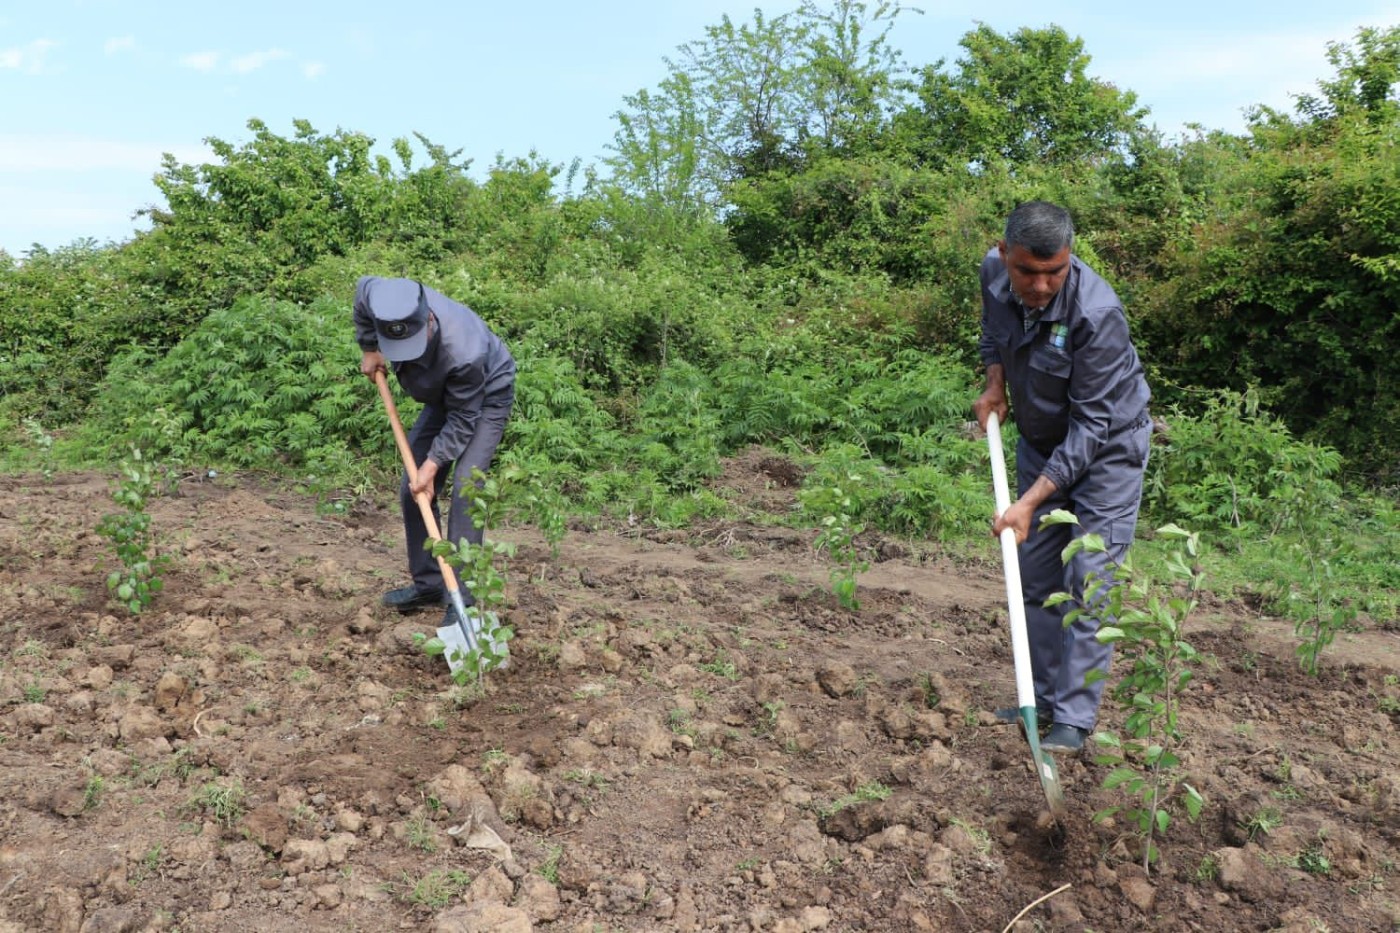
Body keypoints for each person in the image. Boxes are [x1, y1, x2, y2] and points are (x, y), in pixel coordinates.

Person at [971, 201, 1152, 754]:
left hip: (1107, 454)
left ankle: (1073, 719)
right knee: (1035, 575)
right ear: (1005, 255)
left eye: (1057, 271)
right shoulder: (991, 272)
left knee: (1090, 580)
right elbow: (992, 332)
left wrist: (1029, 502)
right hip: (1041, 440)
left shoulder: (1097, 314)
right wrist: (996, 383)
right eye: (1029, 271)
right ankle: (1041, 698)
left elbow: (1093, 426)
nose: (1043, 285)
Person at [354, 276, 516, 631]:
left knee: (465, 489)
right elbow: (361, 296)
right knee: (411, 489)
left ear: (428, 321)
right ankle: (429, 585)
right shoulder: (380, 296)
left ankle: (465, 600)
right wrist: (369, 347)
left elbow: (463, 418)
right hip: (443, 397)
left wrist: (432, 464)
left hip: (483, 398)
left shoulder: (465, 351)